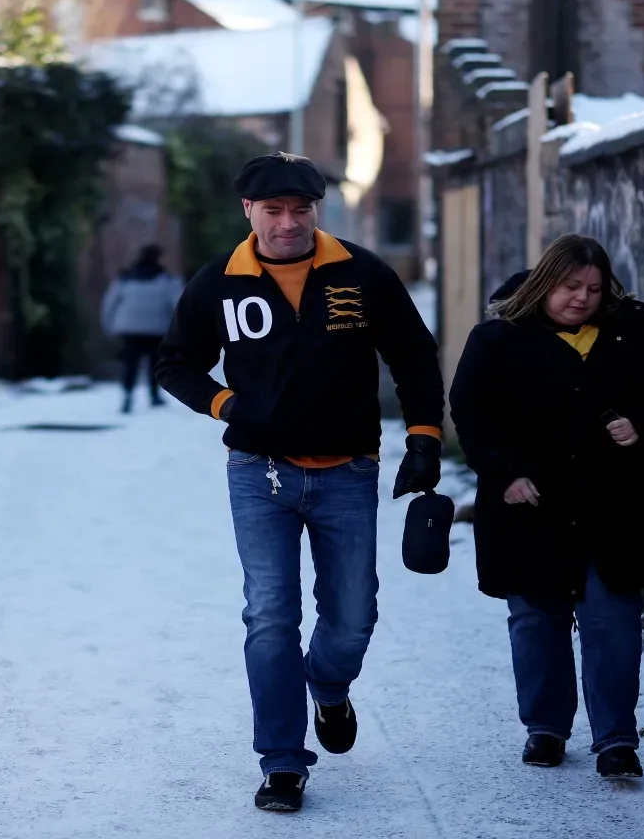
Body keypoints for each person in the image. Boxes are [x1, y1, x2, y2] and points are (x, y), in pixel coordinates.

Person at [156, 152, 446, 813]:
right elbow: (175, 363)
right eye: (274, 211)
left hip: (348, 471)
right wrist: (226, 405)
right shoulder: (219, 283)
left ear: (316, 209)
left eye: (300, 210)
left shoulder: (361, 272)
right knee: (270, 616)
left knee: (352, 618)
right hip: (257, 475)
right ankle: (283, 761)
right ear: (248, 212)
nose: (288, 223)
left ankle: (329, 685)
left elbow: (413, 354)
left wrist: (425, 438)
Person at [447, 234, 644, 780]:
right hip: (530, 504)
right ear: (544, 283)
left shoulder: (634, 334)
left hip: (613, 504)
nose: (582, 298)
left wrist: (643, 426)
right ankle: (546, 729)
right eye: (570, 286)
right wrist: (505, 475)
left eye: (594, 288)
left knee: (614, 621)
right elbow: (472, 413)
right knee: (536, 621)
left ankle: (617, 740)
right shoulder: (498, 340)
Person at [101, 244, 183, 413]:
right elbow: (178, 304)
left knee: (130, 363)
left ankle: (127, 396)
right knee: (156, 363)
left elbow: (109, 304)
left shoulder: (124, 278)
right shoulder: (166, 280)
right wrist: (178, 329)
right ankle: (154, 395)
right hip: (156, 328)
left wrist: (109, 325)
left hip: (129, 328)